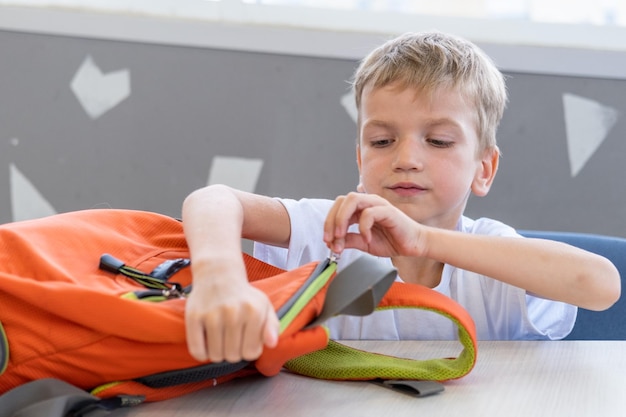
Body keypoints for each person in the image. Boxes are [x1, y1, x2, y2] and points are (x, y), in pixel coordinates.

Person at [181, 31, 621, 364]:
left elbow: (601, 285)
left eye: (440, 141)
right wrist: (219, 277)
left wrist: (422, 240)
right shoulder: (333, 229)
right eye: (382, 141)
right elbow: (214, 199)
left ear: (483, 169)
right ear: (359, 159)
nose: (407, 158)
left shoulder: (495, 258)